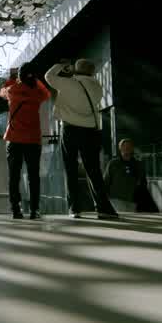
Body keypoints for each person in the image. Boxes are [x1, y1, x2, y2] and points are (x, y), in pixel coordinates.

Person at [44, 58, 119, 219]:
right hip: (91, 131)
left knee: (70, 169)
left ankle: (74, 208)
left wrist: (62, 65)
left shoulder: (69, 83)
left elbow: (48, 76)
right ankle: (103, 208)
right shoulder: (97, 86)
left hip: (70, 129)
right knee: (94, 170)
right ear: (91, 71)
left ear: (75, 70)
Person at [0, 63, 50, 219]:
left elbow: (1, 92)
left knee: (14, 176)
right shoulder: (38, 93)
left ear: (19, 76)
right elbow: (47, 94)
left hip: (14, 139)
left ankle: (16, 209)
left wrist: (13, 78)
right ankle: (35, 210)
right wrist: (35, 79)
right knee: (34, 176)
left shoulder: (12, 90)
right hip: (33, 139)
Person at [104, 138, 159, 213]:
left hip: (132, 201)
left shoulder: (138, 164)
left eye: (129, 146)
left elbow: (143, 182)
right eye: (124, 146)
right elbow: (106, 180)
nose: (127, 148)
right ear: (120, 148)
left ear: (132, 149)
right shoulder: (113, 164)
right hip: (116, 199)